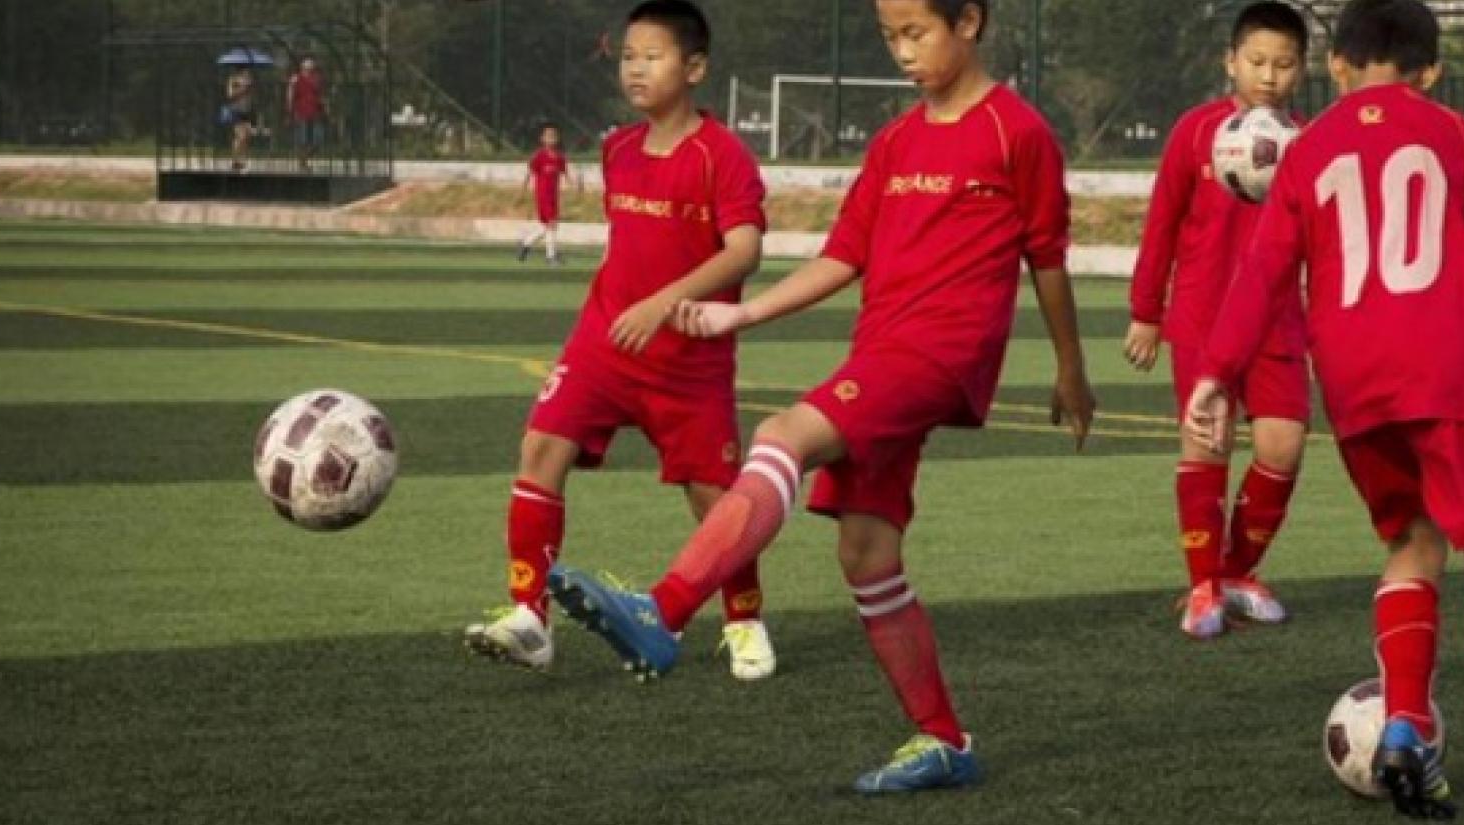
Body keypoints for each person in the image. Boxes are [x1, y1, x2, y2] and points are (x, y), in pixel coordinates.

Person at [544, 0, 1095, 794]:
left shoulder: (1018, 131)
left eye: (917, 33)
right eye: (889, 36)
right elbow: (843, 257)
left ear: (969, 21)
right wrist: (745, 309)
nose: (903, 52)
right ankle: (944, 738)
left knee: (782, 431)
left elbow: (1047, 257)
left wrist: (1070, 367)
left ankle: (662, 611)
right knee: (866, 553)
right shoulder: (896, 141)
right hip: (882, 350)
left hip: (940, 352)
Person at [1185, 1, 1464, 822]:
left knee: (1409, 543)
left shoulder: (1307, 149)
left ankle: (1402, 721)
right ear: (1429, 70)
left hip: (1358, 386)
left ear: (1335, 66)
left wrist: (1216, 373)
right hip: (1453, 375)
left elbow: (1262, 273)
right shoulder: (1459, 136)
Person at [462, 0, 779, 684]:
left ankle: (744, 617)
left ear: (695, 67)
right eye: (628, 55)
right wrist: (630, 307)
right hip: (605, 342)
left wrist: (665, 303)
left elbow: (745, 249)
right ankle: (530, 618)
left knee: (714, 498)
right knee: (541, 445)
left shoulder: (723, 157)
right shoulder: (618, 149)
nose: (636, 68)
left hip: (688, 365)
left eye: (653, 55)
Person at [1125, 1, 1311, 640]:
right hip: (1203, 317)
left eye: (1284, 64)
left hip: (1279, 323)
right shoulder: (1194, 132)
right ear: (1230, 61)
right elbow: (1162, 223)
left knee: (1282, 446)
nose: (1269, 75)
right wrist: (1146, 311)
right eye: (1257, 61)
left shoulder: (1306, 144)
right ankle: (1202, 584)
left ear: (1302, 70)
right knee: (1208, 441)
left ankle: (1239, 571)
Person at [518, 123, 582, 265]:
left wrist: (573, 186)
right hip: (542, 195)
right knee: (552, 224)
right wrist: (522, 191)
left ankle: (526, 244)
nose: (552, 139)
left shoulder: (559, 157)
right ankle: (550, 256)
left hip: (554, 196)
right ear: (542, 139)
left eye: (554, 136)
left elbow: (565, 173)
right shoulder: (539, 156)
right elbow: (529, 174)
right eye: (548, 136)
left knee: (548, 226)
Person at [287, 57, 327, 171]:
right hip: (301, 111)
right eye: (307, 67)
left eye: (311, 67)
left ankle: (305, 158)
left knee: (318, 138)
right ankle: (303, 163)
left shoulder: (317, 79)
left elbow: (321, 95)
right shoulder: (295, 79)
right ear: (302, 67)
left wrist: (325, 108)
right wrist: (290, 110)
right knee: (302, 139)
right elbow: (290, 94)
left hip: (315, 111)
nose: (309, 69)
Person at [222, 67, 256, 172]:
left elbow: (252, 97)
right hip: (236, 110)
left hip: (247, 111)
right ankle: (235, 160)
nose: (247, 73)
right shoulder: (233, 80)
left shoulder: (250, 81)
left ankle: (243, 161)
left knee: (247, 137)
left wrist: (250, 89)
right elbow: (230, 95)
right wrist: (242, 89)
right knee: (240, 136)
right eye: (245, 71)